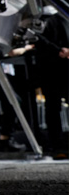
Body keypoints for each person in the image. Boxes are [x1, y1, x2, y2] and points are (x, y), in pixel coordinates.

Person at [31, 10, 69, 159]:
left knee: (53, 108)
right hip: (50, 67)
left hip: (58, 66)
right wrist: (58, 50)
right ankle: (58, 147)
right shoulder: (46, 18)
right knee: (53, 107)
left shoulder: (61, 17)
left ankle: (59, 146)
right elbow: (38, 38)